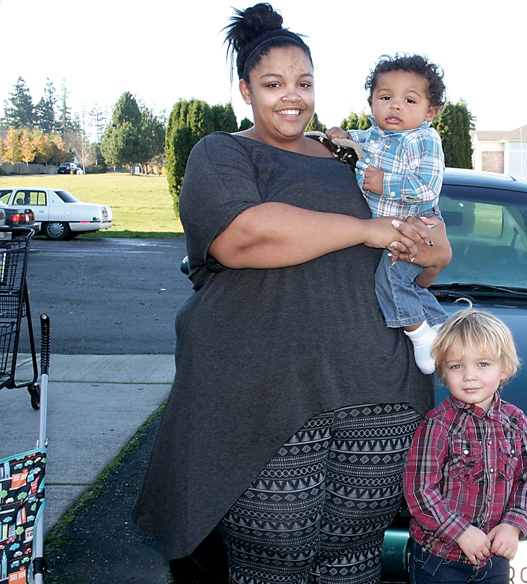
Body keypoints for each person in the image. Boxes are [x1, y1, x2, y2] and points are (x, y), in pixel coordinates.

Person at [131, 4, 451, 584]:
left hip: (378, 390)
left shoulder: (349, 158)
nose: (292, 97)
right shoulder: (224, 153)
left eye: (304, 83)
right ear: (245, 89)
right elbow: (245, 237)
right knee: (273, 561)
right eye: (273, 83)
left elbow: (406, 259)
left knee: (352, 558)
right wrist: (362, 228)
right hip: (263, 394)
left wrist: (434, 258)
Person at [403, 307, 527, 584]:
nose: (469, 375)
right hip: (440, 560)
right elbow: (419, 490)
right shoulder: (438, 424)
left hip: (495, 559)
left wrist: (513, 524)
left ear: (503, 368)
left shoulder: (515, 421)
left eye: (482, 364)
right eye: (457, 366)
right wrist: (461, 532)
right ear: (443, 371)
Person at [326, 54, 448, 375]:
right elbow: (357, 138)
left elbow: (427, 188)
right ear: (371, 104)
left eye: (409, 100)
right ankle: (444, 329)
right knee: (411, 287)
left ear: (429, 112)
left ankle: (419, 335)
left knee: (392, 279)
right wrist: (343, 135)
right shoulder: (378, 135)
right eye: (385, 98)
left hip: (413, 228)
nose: (395, 106)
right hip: (389, 230)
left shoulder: (423, 139)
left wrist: (385, 183)